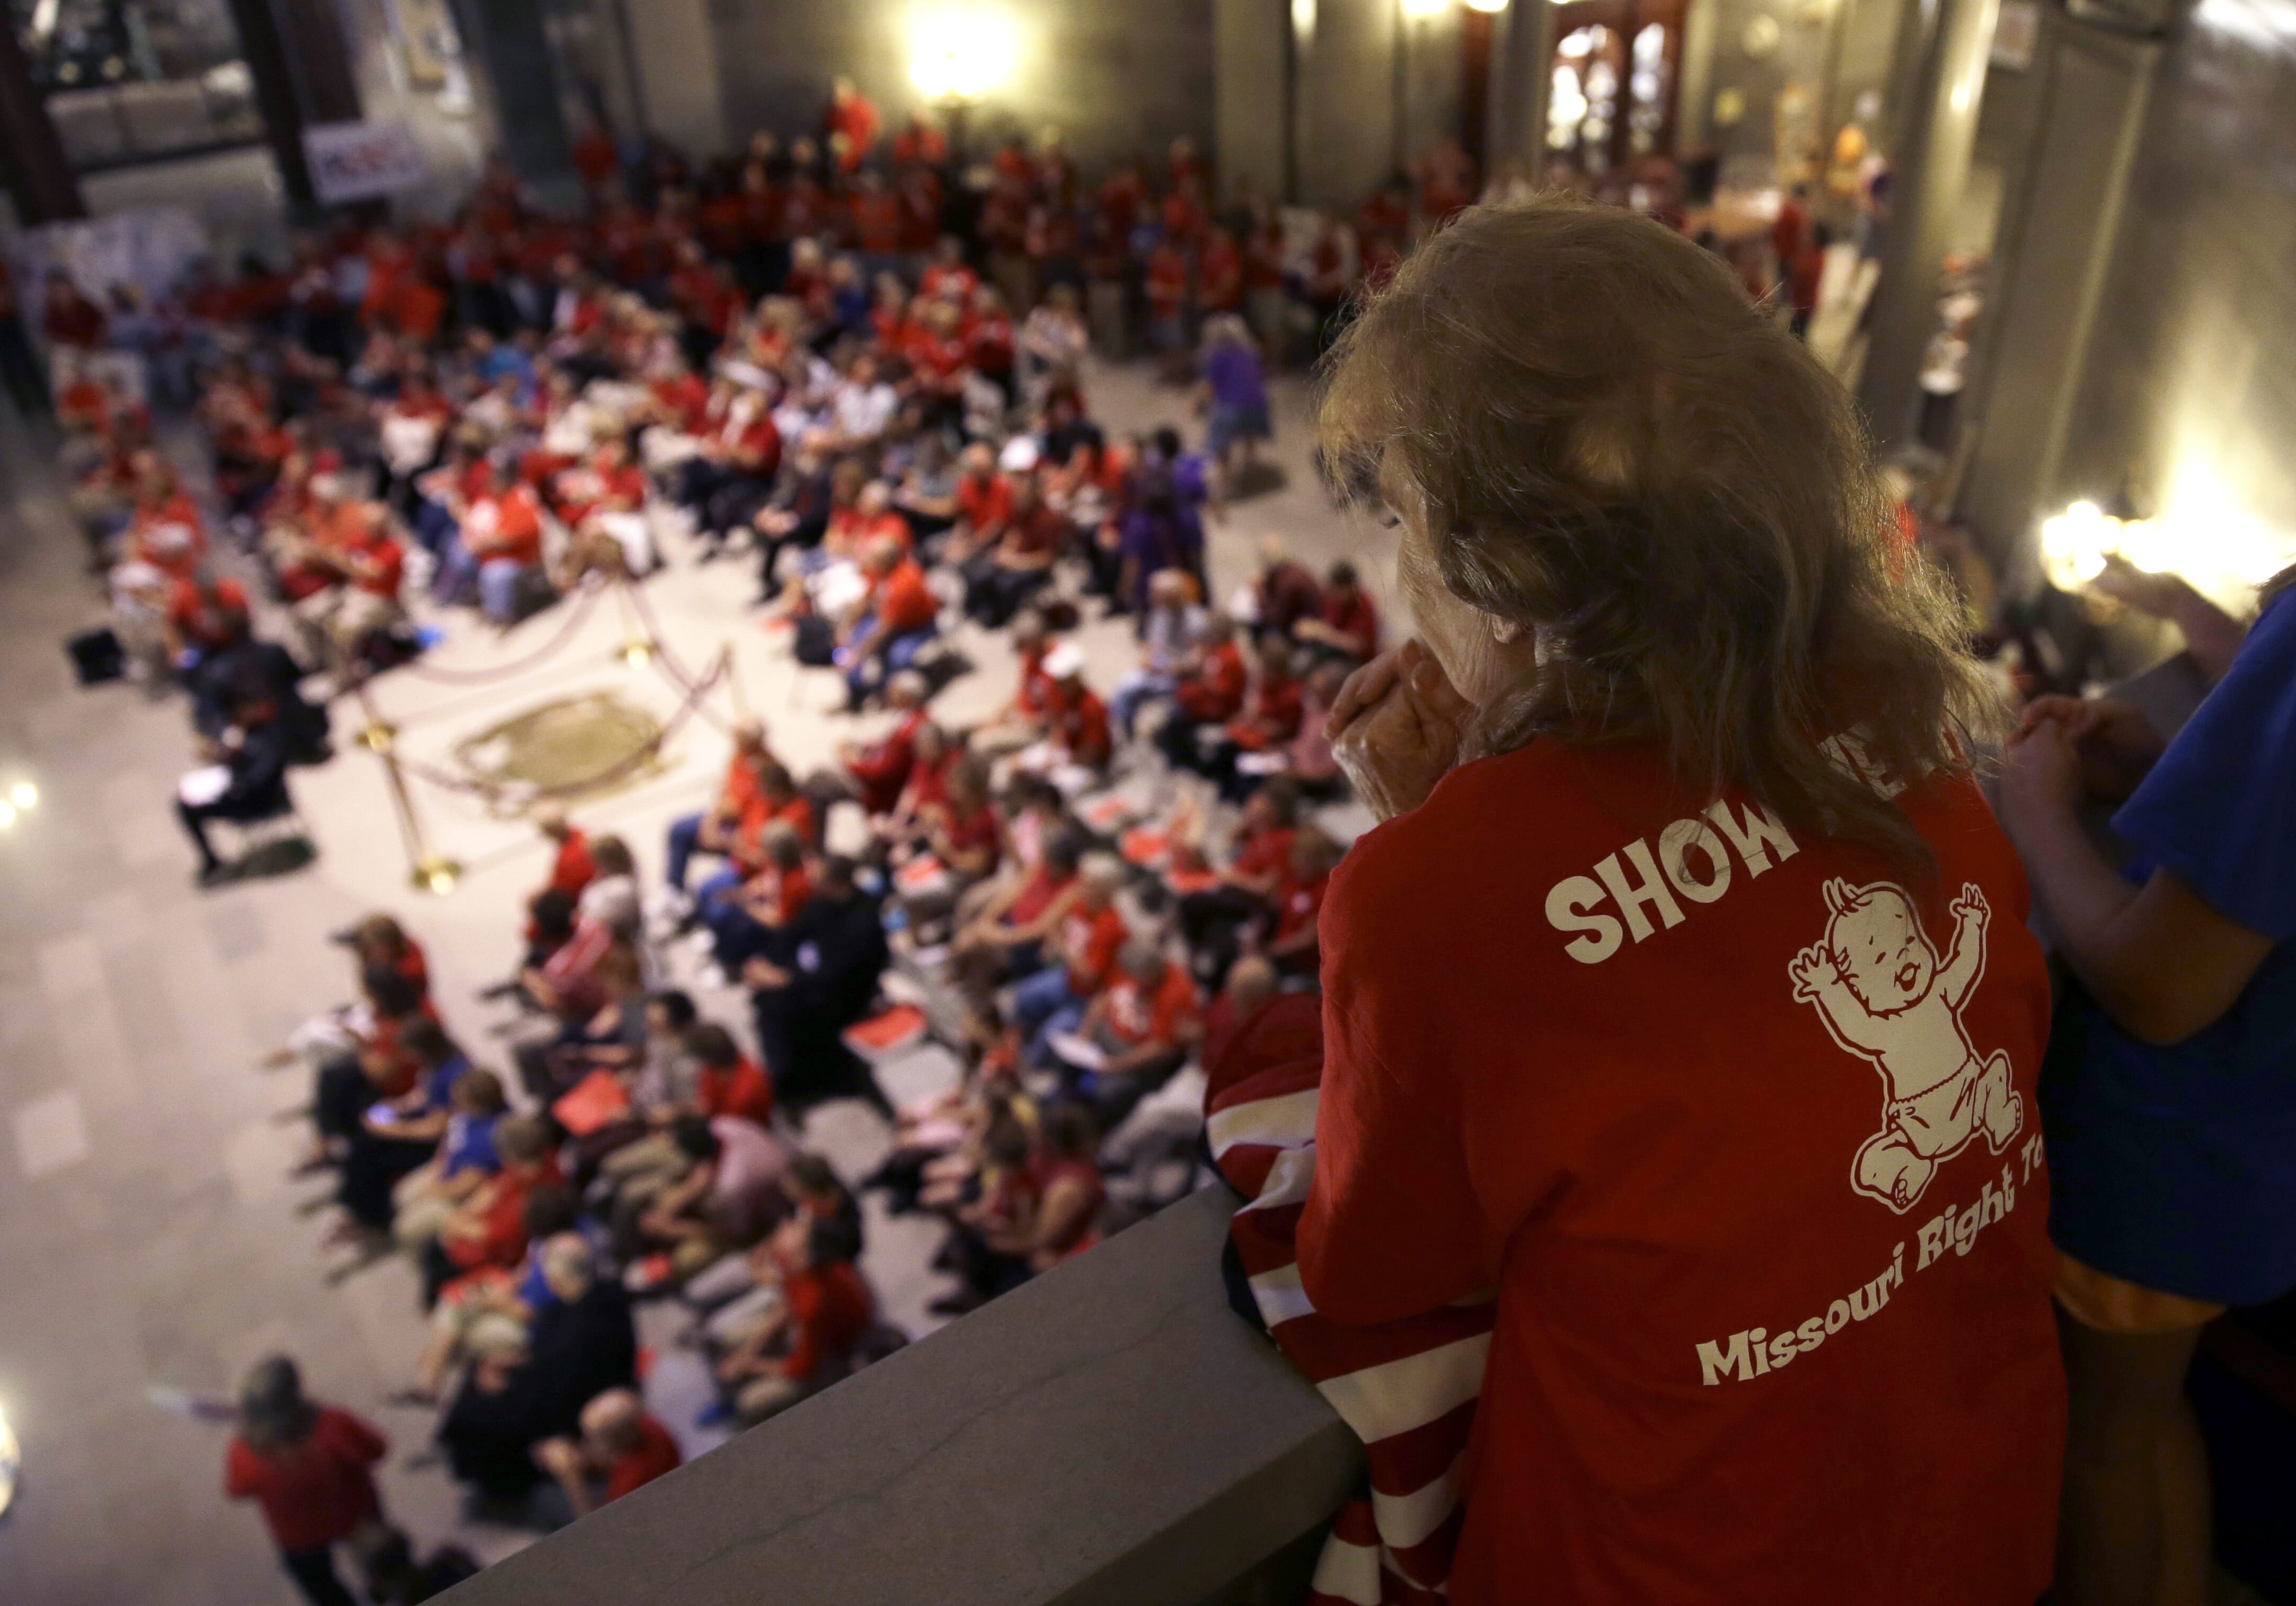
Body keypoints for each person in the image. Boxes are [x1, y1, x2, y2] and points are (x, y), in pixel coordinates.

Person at [1285, 198, 2059, 1603]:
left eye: (1401, 512)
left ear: (1492, 572)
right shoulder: (1896, 704)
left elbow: (1373, 1262)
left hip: (1679, 1557)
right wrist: (1482, 812)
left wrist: (1441, 844)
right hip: (1976, 1498)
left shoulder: (1425, 898)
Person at [1994, 567, 2293, 1606]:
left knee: (2096, 1449)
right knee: (2152, 1416)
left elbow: (2160, 987)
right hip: (2248, 1151)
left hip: (2161, 1153)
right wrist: (2167, 777)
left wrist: (2039, 812)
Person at [224, 1357, 388, 1606]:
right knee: (381, 1558)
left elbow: (237, 1490)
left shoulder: (244, 1453)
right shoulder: (334, 1426)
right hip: (356, 1514)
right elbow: (377, 1450)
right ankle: (385, 1589)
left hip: (300, 1537)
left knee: (318, 1583)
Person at [747, 854, 893, 1115]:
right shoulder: (824, 902)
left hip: (843, 992)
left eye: (819, 880)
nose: (812, 884)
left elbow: (842, 974)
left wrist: (785, 979)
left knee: (777, 1007)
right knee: (766, 997)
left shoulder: (863, 921)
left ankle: (791, 1087)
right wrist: (767, 962)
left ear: (836, 884)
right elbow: (796, 932)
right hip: (812, 975)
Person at [177, 683, 298, 885]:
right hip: (243, 790)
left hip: (257, 802)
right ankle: (210, 858)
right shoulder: (250, 733)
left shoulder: (268, 739)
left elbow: (256, 781)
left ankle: (211, 860)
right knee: (184, 801)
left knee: (186, 808)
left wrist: (229, 770)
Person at [533, 1388, 683, 1520]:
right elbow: (610, 1456)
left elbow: (598, 1526)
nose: (586, 1444)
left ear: (614, 1452)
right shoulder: (647, 1425)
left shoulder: (628, 1484)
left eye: (590, 1439)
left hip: (648, 1514)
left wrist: (570, 1477)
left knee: (544, 1498)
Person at [1197, 313, 1271, 500]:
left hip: (1232, 410)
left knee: (1221, 442)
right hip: (1259, 406)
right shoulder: (1252, 352)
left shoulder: (1217, 356)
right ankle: (1250, 466)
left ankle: (1228, 484)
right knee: (1247, 432)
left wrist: (1197, 405)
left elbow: (1208, 387)